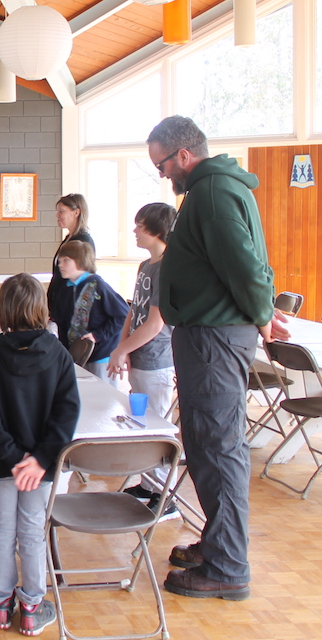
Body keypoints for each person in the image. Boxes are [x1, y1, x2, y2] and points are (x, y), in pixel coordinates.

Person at [147, 115, 287, 600]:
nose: (163, 175)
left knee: (216, 445)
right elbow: (246, 264)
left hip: (213, 337)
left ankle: (228, 566)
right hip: (209, 334)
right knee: (206, 442)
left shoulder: (211, 193)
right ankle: (218, 542)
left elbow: (246, 266)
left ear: (184, 155)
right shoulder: (213, 190)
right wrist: (262, 312)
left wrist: (263, 313)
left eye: (163, 164)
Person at [0, 273, 79, 637]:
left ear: (3, 311)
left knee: (3, 529)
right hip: (41, 466)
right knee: (33, 531)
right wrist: (37, 459)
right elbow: (67, 413)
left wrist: (15, 457)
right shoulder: (59, 354)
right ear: (41, 310)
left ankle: (1, 604)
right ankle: (32, 607)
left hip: (3, 463)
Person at [107, 203, 180, 520]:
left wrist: (122, 350)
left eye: (140, 225)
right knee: (143, 425)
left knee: (158, 430)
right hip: (139, 357)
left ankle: (166, 497)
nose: (134, 230)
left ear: (156, 229)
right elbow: (133, 313)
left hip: (157, 361)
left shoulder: (169, 267)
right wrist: (122, 346)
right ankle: (149, 486)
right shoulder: (145, 266)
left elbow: (155, 324)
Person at [51, 240, 128, 385]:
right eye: (59, 261)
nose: (60, 265)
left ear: (80, 261)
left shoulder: (99, 287)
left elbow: (123, 316)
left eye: (66, 260)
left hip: (100, 355)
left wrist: (97, 335)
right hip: (76, 355)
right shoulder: (66, 288)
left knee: (103, 398)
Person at [47, 194, 95, 321]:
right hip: (60, 307)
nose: (58, 215)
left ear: (76, 212)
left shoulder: (83, 241)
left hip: (70, 309)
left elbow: (82, 279)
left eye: (62, 211)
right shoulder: (68, 239)